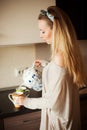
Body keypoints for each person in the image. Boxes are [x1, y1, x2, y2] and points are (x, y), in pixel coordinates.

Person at [17, 6, 86, 130]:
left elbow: (50, 101)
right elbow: (62, 74)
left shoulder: (59, 57)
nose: (40, 35)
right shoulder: (69, 53)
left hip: (58, 122)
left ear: (56, 30)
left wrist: (25, 101)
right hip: (68, 117)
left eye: (43, 31)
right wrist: (47, 64)